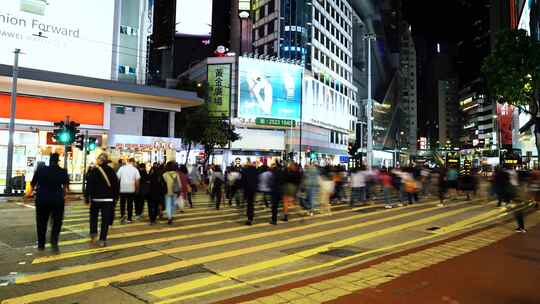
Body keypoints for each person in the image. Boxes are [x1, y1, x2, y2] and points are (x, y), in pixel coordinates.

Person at [30, 153, 69, 252]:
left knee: (41, 222)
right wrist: (64, 196)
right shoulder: (63, 172)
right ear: (58, 161)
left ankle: (41, 245)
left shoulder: (40, 170)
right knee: (56, 222)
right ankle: (54, 243)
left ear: (49, 160)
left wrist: (28, 194)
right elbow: (65, 188)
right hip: (57, 200)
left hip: (42, 199)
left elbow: (33, 184)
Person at [84, 153, 119, 247]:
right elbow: (116, 185)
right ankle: (102, 239)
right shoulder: (111, 171)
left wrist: (87, 198)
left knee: (93, 217)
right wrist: (116, 198)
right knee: (105, 220)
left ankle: (93, 234)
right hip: (108, 200)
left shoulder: (93, 171)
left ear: (100, 160)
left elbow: (89, 186)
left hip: (95, 199)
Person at [116, 158, 140, 224]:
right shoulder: (135, 169)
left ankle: (122, 215)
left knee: (122, 203)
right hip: (131, 189)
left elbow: (117, 178)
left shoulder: (122, 168)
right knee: (130, 204)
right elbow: (137, 181)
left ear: (128, 162)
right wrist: (137, 189)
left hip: (122, 189)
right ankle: (129, 218)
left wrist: (117, 187)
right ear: (133, 162)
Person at [242, 160, 259, 225]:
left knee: (249, 203)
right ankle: (250, 217)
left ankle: (249, 217)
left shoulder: (245, 171)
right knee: (251, 203)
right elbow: (258, 180)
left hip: (247, 189)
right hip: (254, 189)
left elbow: (243, 181)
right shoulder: (256, 171)